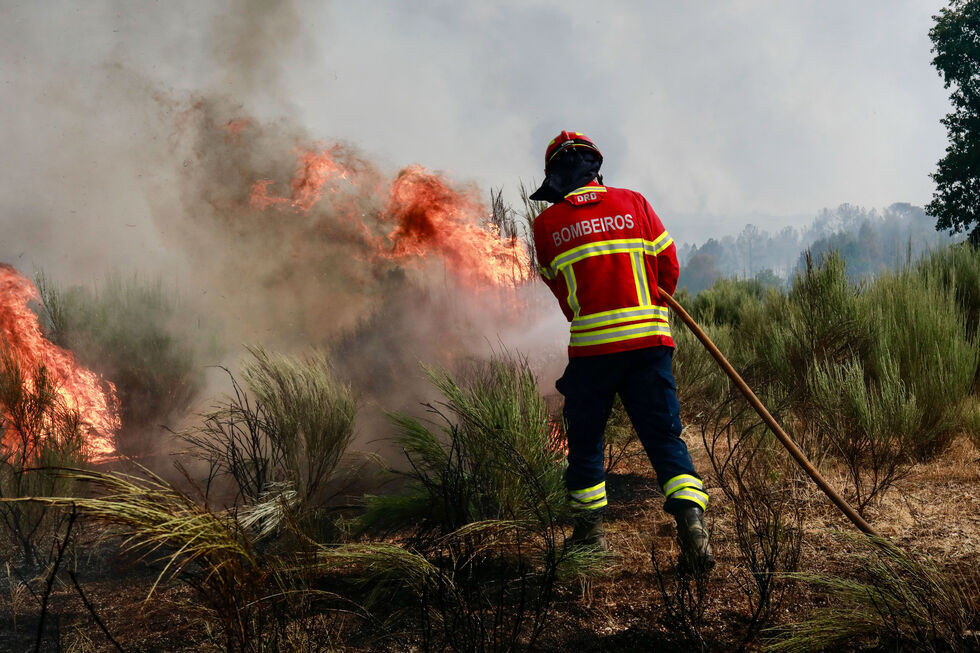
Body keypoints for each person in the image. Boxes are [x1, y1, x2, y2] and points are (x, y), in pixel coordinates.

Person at [530, 130, 714, 573]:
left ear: (556, 180)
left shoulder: (547, 225)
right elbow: (667, 268)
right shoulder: (635, 203)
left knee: (586, 441)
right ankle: (692, 526)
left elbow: (562, 292)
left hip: (593, 350)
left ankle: (589, 538)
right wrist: (645, 303)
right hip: (649, 344)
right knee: (664, 436)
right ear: (595, 170)